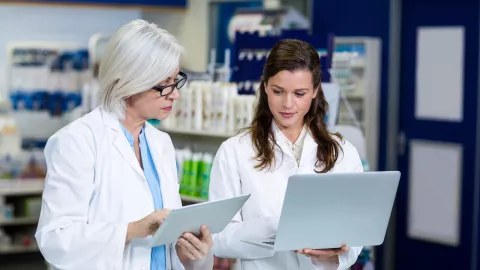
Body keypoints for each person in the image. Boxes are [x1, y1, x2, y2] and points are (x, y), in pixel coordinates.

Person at [35, 20, 214, 270]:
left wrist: (192, 253)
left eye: (176, 80)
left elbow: (166, 248)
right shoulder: (78, 141)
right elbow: (55, 240)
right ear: (130, 82)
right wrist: (133, 230)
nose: (175, 94)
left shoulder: (161, 144)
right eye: (165, 84)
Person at [208, 39, 363, 270]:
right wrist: (278, 228)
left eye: (299, 93)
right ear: (265, 87)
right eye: (278, 91)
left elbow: (355, 232)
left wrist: (334, 256)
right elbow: (217, 238)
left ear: (315, 91)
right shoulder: (235, 151)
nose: (287, 104)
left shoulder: (343, 153)